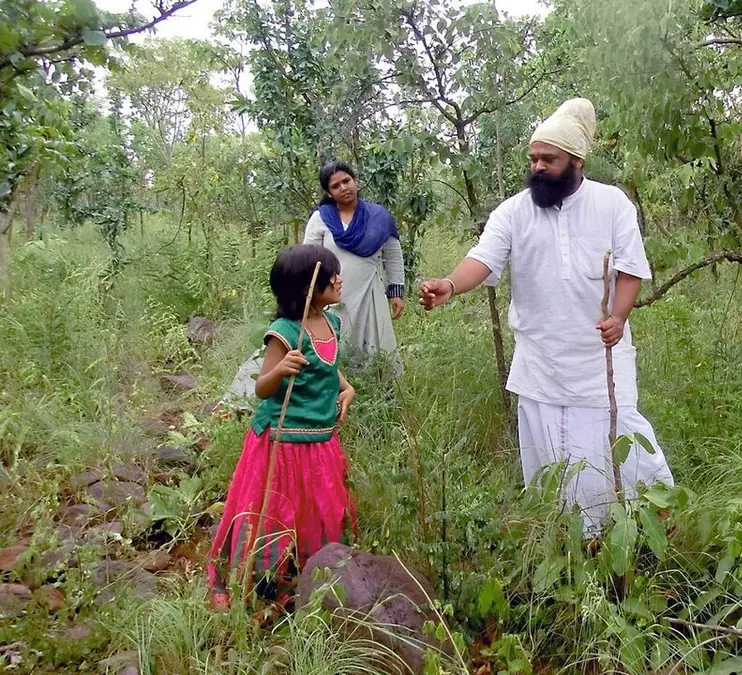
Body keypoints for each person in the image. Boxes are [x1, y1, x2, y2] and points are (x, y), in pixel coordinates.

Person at [419, 98, 673, 534]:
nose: (538, 166)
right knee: (554, 456)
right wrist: (450, 284)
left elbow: (631, 270)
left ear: (576, 160)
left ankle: (649, 525)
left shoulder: (612, 204)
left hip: (600, 359)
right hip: (540, 361)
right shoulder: (515, 211)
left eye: (548, 159)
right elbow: (483, 258)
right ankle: (575, 540)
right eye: (534, 158)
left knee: (622, 440)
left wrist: (618, 317)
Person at [207, 244, 358, 611]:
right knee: (273, 511)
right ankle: (263, 580)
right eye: (329, 275)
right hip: (282, 442)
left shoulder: (332, 322)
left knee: (320, 508)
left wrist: (346, 388)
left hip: (319, 440)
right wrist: (280, 369)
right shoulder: (285, 331)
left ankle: (316, 576)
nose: (338, 279)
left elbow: (328, 364)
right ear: (306, 286)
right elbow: (261, 388)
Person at [304, 161, 406, 364]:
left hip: (371, 291)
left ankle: (381, 390)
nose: (343, 188)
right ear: (328, 192)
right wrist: (312, 297)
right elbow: (308, 259)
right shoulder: (320, 219)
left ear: (355, 181)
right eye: (335, 186)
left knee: (377, 348)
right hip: (332, 295)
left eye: (346, 181)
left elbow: (393, 255)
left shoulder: (378, 216)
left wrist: (396, 293)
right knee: (339, 346)